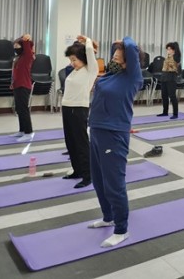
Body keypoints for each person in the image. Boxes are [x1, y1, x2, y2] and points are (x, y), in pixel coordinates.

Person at [87, 36, 143, 248]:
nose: (114, 59)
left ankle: (121, 229)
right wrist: (115, 47)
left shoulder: (132, 77)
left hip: (114, 134)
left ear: (129, 61)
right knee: (98, 180)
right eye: (114, 56)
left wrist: (125, 41)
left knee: (114, 184)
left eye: (119, 57)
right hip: (96, 130)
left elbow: (131, 46)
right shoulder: (112, 74)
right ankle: (108, 217)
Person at [61, 36, 98, 189]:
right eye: (70, 60)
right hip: (66, 108)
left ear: (83, 58)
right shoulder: (74, 72)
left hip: (79, 109)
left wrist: (87, 39)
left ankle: (88, 176)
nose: (72, 63)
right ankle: (77, 171)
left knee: (81, 143)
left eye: (74, 59)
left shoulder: (90, 70)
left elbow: (89, 50)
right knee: (71, 142)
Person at [11, 34, 35, 142]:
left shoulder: (27, 56)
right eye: (14, 47)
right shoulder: (19, 58)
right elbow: (16, 73)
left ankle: (29, 132)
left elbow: (29, 46)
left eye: (17, 46)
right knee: (19, 109)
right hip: (17, 85)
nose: (15, 49)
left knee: (24, 109)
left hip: (24, 86)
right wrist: (13, 83)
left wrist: (26, 40)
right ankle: (22, 130)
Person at [157, 41, 181, 119]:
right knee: (164, 95)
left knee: (172, 96)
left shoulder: (176, 57)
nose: (168, 50)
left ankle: (175, 114)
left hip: (171, 77)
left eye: (170, 49)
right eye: (167, 49)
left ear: (174, 50)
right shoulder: (167, 57)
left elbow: (175, 64)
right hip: (164, 76)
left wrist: (175, 48)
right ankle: (165, 112)